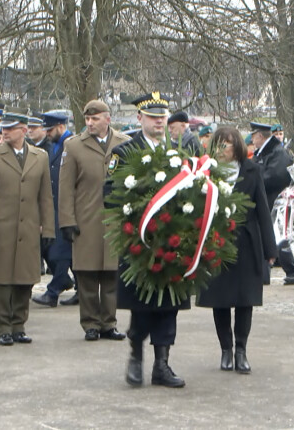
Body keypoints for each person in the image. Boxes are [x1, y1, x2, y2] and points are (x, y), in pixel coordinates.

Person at [112, 92, 189, 388]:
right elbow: (111, 194)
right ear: (139, 118)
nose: (159, 121)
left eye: (163, 116)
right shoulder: (125, 153)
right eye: (153, 116)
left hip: (172, 243)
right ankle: (135, 356)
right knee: (142, 305)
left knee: (169, 306)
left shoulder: (178, 153)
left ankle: (162, 365)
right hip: (139, 244)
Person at [196, 126, 277, 374]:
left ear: (237, 146)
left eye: (227, 144)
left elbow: (262, 209)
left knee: (245, 300)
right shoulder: (206, 172)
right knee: (220, 299)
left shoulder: (251, 170)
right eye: (218, 144)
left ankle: (241, 350)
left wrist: (269, 248)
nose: (222, 149)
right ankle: (226, 350)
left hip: (246, 241)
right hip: (216, 242)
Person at [59, 99, 130, 341]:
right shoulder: (74, 146)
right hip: (86, 219)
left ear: (107, 119)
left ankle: (109, 322)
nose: (90, 123)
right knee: (87, 275)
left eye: (95, 118)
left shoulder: (124, 143)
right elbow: (65, 187)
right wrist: (67, 220)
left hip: (115, 219)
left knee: (111, 274)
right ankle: (90, 323)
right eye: (87, 119)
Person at [0, 112, 54, 346]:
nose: (5, 131)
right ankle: (3, 327)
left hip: (29, 226)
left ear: (23, 130)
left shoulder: (39, 157)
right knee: (1, 279)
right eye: (3, 128)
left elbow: (45, 196)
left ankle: (19, 325)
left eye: (11, 128)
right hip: (1, 227)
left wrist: (49, 228)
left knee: (25, 278)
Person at [32, 111, 79, 307]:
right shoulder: (52, 147)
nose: (47, 133)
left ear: (61, 126)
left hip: (68, 205)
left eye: (50, 129)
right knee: (58, 250)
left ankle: (54, 291)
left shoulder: (72, 146)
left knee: (59, 252)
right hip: (53, 205)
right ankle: (78, 288)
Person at [250, 121, 294, 284]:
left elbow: (277, 177)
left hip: (274, 200)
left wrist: (256, 179)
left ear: (259, 136)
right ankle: (271, 273)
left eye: (253, 136)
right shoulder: (265, 152)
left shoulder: (277, 152)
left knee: (277, 237)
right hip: (266, 199)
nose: (252, 140)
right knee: (269, 237)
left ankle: (291, 270)